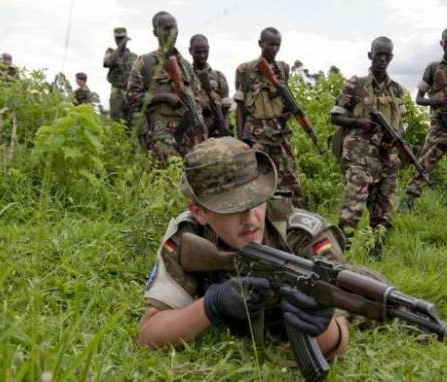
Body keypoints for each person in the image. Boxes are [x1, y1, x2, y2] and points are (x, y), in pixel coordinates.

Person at [138, 137, 349, 363]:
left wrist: (319, 325)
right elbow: (149, 334)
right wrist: (212, 304)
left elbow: (340, 341)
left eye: (256, 201)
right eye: (232, 208)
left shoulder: (302, 234)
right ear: (199, 211)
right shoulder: (188, 237)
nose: (251, 219)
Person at [330, 36, 406, 254]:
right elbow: (334, 117)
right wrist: (358, 122)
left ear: (391, 57)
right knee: (352, 208)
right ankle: (340, 256)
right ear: (370, 55)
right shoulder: (356, 84)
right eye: (378, 54)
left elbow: (401, 123)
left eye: (386, 55)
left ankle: (376, 254)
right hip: (359, 155)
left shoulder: (397, 90)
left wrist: (398, 139)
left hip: (387, 157)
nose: (382, 59)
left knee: (384, 209)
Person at [400, 27, 447, 211]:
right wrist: (438, 101)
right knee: (424, 165)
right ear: (441, 43)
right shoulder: (433, 68)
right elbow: (419, 98)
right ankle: (407, 204)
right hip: (439, 127)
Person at [234, 27, 305, 207]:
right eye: (270, 44)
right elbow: (240, 106)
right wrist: (241, 137)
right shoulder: (246, 70)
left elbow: (285, 97)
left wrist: (288, 113)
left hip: (280, 132)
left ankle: (293, 219)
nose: (274, 48)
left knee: (290, 178)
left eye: (277, 45)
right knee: (255, 178)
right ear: (260, 44)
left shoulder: (283, 68)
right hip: (256, 133)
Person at [126, 11, 206, 165]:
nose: (171, 33)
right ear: (155, 32)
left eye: (174, 28)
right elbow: (131, 98)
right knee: (167, 182)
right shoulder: (145, 62)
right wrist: (163, 98)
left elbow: (196, 97)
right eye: (166, 28)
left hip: (190, 136)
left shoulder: (186, 66)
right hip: (161, 139)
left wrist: (200, 123)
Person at [189, 34, 232, 137]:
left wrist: (225, 126)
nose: (202, 55)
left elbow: (225, 108)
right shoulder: (185, 76)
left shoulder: (219, 76)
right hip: (193, 131)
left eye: (205, 52)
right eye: (198, 52)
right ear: (190, 50)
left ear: (209, 49)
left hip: (215, 128)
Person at [103, 27, 137, 123]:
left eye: (122, 38)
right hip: (117, 94)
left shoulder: (134, 56)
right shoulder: (110, 52)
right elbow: (108, 63)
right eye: (118, 38)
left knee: (131, 125)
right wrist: (121, 45)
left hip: (131, 95)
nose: (120, 41)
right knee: (116, 125)